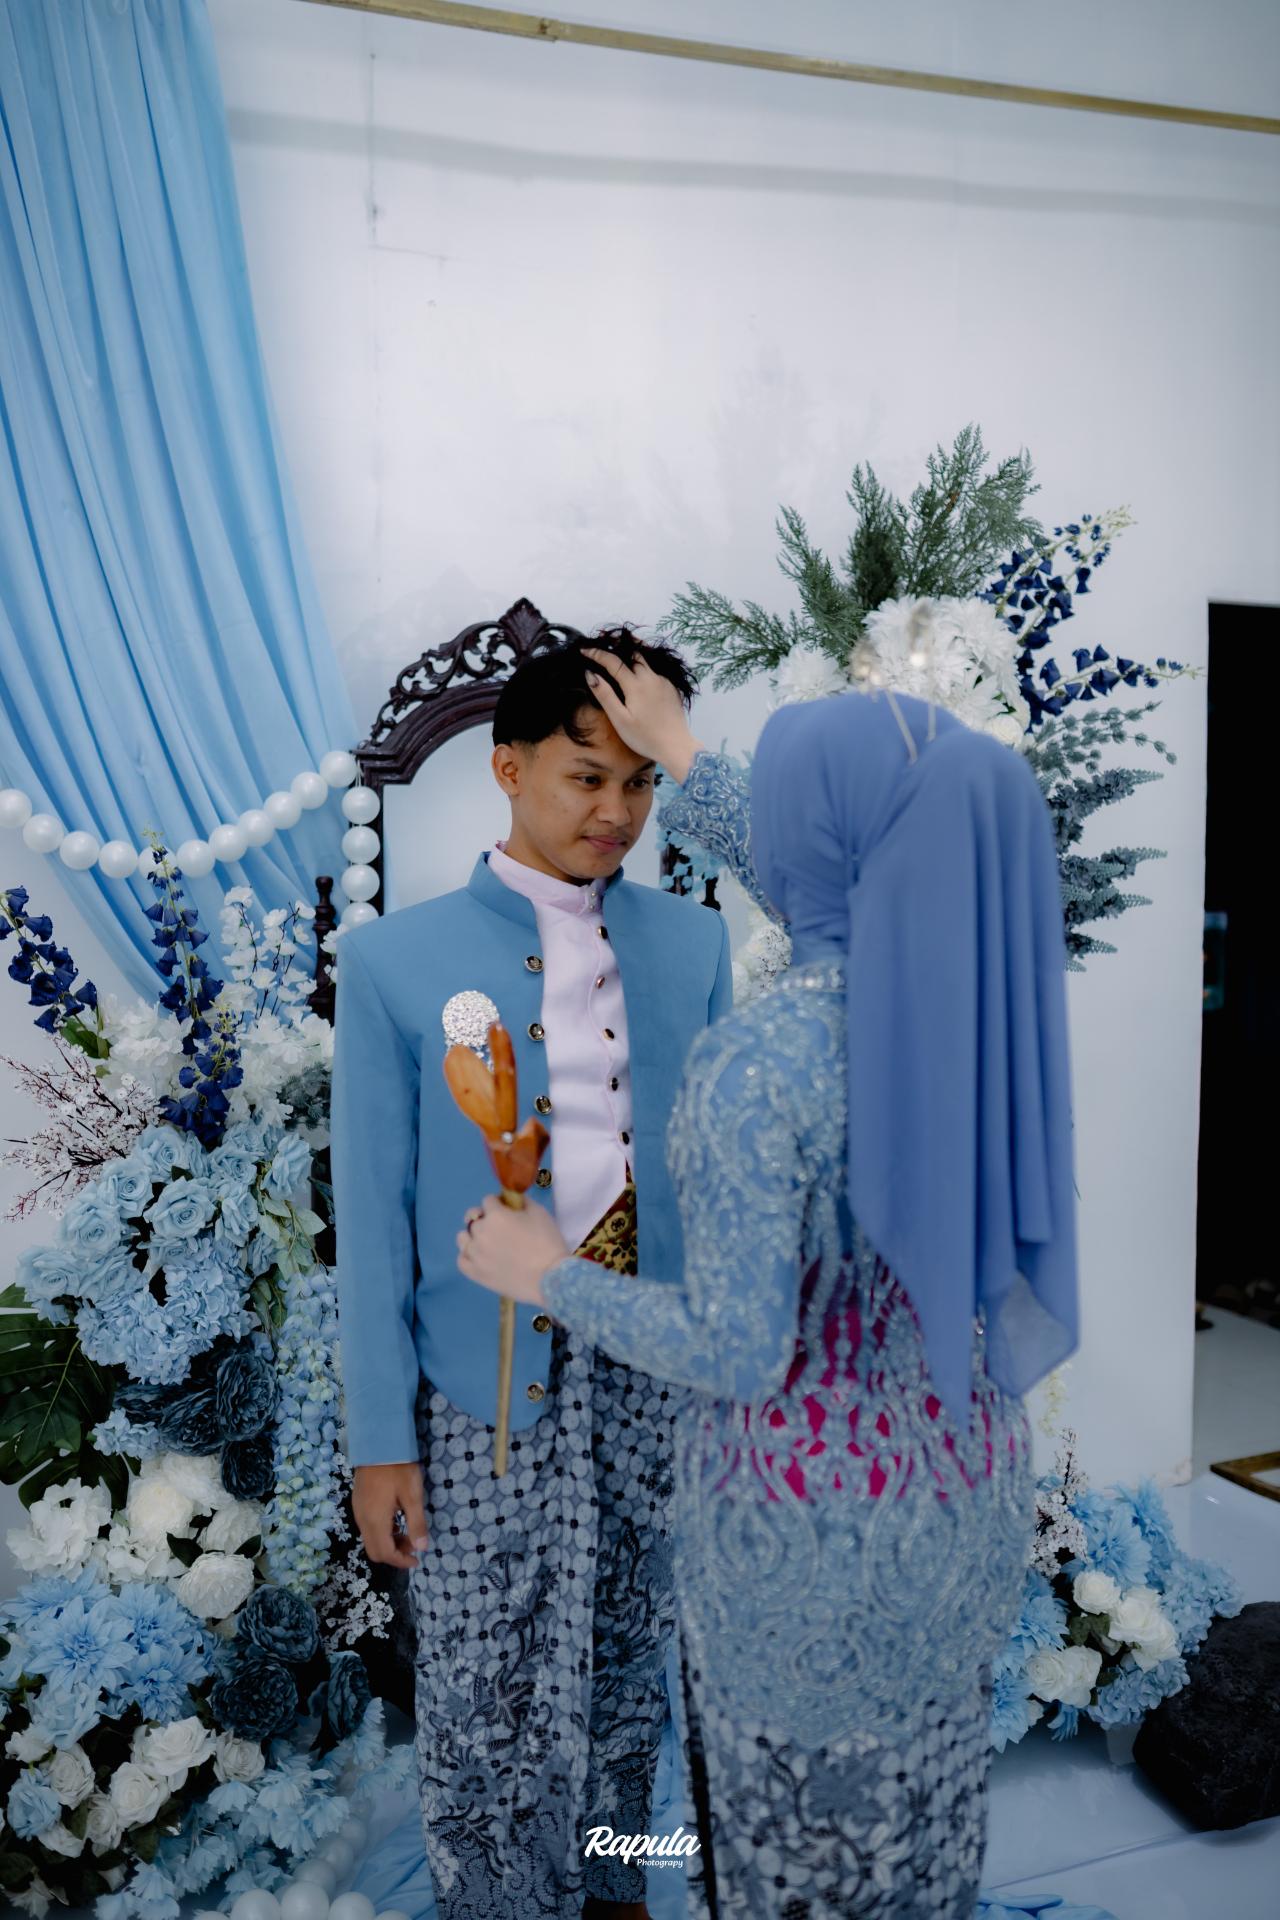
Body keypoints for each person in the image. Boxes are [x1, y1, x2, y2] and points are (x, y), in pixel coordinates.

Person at [457, 658, 1080, 1918]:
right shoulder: (973, 1023)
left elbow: (738, 1349)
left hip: (797, 1536)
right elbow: (844, 881)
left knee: (786, 1852)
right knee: (919, 1835)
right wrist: (684, 752)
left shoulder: (759, 1064)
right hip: (961, 1499)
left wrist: (548, 1274)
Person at [330, 631, 733, 1920]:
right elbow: (371, 1223)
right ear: (507, 769)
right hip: (480, 1391)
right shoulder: (395, 961)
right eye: (584, 777)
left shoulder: (691, 948)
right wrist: (378, 1442)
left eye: (640, 782)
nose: (615, 811)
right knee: (481, 1689)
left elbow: (715, 1183)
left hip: (653, 1376)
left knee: (630, 1670)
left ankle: (616, 1889)